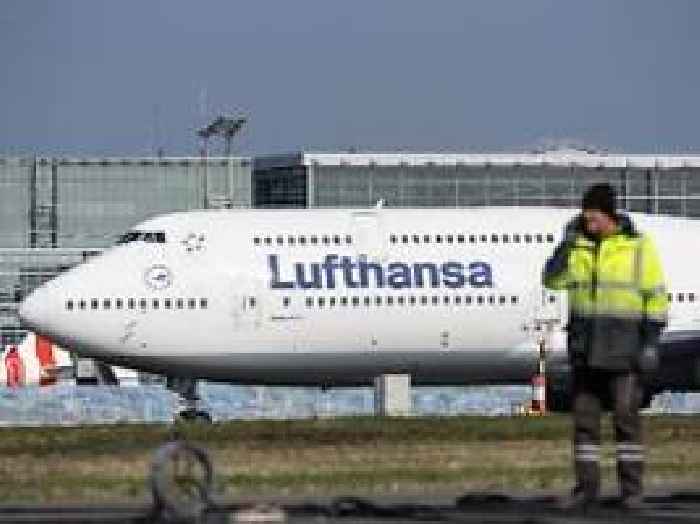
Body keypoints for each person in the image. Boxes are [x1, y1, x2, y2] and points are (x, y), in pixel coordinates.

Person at [542, 183, 668, 511]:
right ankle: (586, 490)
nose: (588, 223)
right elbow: (551, 281)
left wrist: (651, 342)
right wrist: (564, 247)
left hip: (624, 349)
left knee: (626, 422)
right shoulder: (577, 247)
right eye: (585, 218)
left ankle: (631, 492)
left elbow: (656, 296)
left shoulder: (637, 247)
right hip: (586, 350)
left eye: (593, 217)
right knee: (585, 425)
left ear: (609, 215)